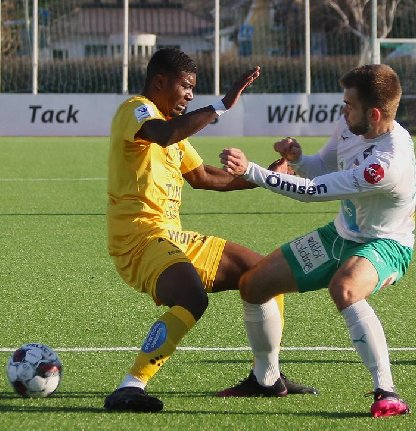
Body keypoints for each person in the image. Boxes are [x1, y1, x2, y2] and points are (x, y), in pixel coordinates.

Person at [103, 48, 315, 413]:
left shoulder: (174, 129)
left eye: (193, 89)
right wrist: (221, 105)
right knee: (192, 298)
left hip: (170, 236)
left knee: (264, 274)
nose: (189, 95)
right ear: (159, 82)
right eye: (185, 86)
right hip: (139, 240)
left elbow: (204, 178)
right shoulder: (137, 110)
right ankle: (130, 386)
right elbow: (163, 134)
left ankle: (266, 378)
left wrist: (263, 175)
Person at [218, 64, 416, 418]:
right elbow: (322, 167)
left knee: (345, 287)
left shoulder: (387, 163)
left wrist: (251, 171)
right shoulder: (350, 125)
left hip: (385, 244)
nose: (343, 110)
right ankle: (266, 379)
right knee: (253, 285)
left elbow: (311, 192)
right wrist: (299, 158)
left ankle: (386, 391)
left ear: (373, 114)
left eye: (349, 105)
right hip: (340, 234)